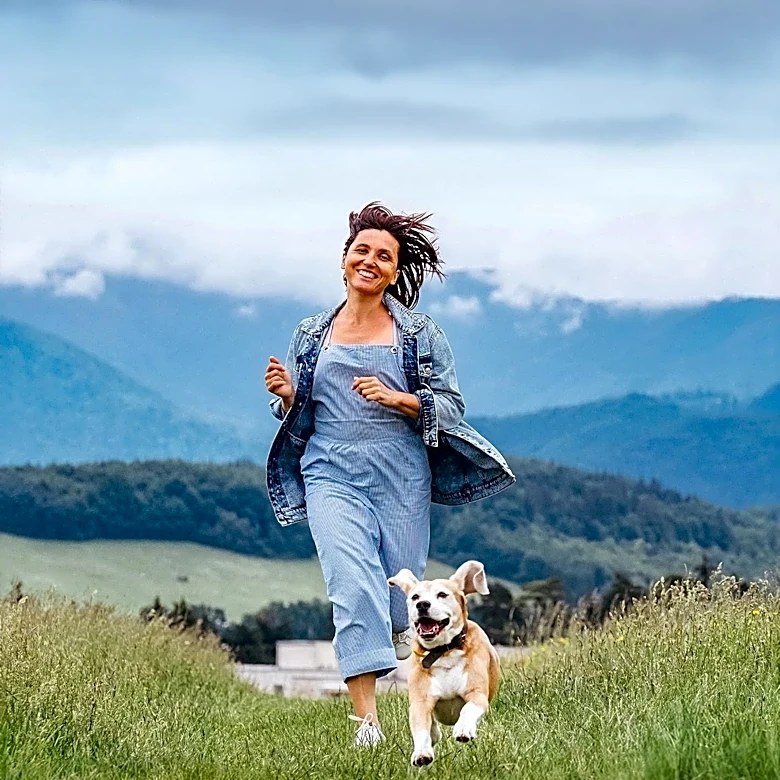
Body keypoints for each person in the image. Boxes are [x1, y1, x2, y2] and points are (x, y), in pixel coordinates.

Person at [265, 203, 515, 746]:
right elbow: (301, 412)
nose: (370, 261)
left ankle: (402, 636)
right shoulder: (311, 333)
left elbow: (449, 407)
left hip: (401, 476)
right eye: (362, 251)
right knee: (352, 588)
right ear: (344, 259)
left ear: (395, 271)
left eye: (384, 256)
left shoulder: (420, 333)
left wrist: (399, 399)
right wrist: (288, 397)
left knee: (401, 593)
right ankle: (367, 723)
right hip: (329, 471)